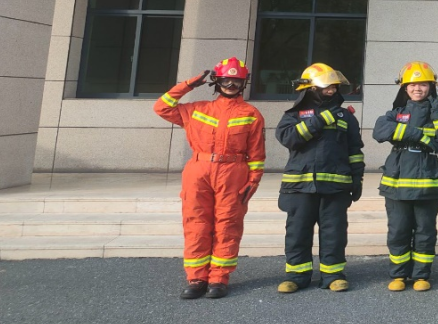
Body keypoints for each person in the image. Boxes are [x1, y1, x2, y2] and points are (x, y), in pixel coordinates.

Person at [153, 57, 265, 300]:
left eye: (236, 81)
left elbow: (256, 154)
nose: (231, 85)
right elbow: (162, 107)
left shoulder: (251, 114)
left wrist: (254, 180)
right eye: (226, 80)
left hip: (233, 173)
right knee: (196, 224)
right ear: (216, 81)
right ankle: (196, 278)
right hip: (199, 171)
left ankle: (219, 279)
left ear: (243, 83)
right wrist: (187, 85)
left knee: (228, 225)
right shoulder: (196, 109)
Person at [373, 62, 438, 291]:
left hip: (428, 183)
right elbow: (379, 130)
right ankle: (399, 275)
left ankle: (421, 275)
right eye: (412, 84)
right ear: (405, 88)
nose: (417, 88)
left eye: (423, 84)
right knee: (398, 231)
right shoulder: (396, 113)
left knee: (425, 232)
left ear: (431, 87)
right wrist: (420, 136)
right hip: (397, 183)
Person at [275, 63, 365, 294]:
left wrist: (357, 178)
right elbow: (289, 138)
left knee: (334, 233)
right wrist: (320, 120)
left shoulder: (345, 117)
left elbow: (355, 150)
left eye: (334, 87)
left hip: (335, 187)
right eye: (327, 87)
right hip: (300, 187)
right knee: (297, 233)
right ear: (311, 89)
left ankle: (333, 275)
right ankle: (296, 276)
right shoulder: (293, 115)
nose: (332, 91)